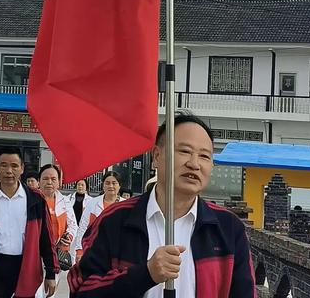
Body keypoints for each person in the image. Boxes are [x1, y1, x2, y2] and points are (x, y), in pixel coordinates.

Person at [68, 112, 257, 297]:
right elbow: (81, 290)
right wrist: (145, 274)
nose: (194, 164)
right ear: (157, 156)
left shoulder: (228, 228)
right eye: (184, 151)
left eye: (204, 156)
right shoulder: (115, 220)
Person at [0, 146, 59, 298]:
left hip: (25, 265)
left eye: (14, 166)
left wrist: (51, 273)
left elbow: (46, 238)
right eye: (4, 165)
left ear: (22, 168)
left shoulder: (35, 200)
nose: (9, 171)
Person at [36, 164, 78, 298]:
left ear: (59, 182)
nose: (49, 182)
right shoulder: (31, 200)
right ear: (39, 181)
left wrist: (69, 237)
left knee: (50, 292)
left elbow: (73, 225)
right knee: (35, 291)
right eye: (45, 178)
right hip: (35, 253)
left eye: (53, 179)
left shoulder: (65, 202)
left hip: (56, 254)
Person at [74, 171, 125, 262]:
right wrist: (79, 250)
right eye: (107, 183)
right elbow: (83, 227)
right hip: (94, 250)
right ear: (103, 185)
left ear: (119, 186)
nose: (111, 186)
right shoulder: (93, 203)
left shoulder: (126, 205)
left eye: (114, 183)